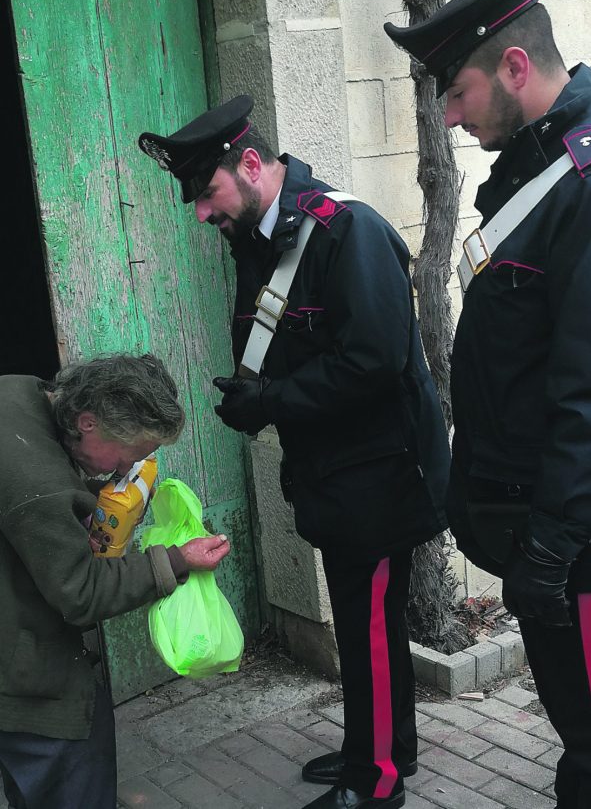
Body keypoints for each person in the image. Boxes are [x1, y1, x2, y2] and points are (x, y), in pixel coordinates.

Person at [385, 0, 591, 809]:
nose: (447, 114)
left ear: (515, 68)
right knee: (581, 727)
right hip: (556, 521)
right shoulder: (536, 164)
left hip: (583, 531)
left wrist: (551, 546)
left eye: (458, 90)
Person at [139, 98, 451, 809]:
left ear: (250, 165)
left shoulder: (349, 232)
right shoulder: (259, 236)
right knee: (365, 623)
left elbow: (373, 361)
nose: (199, 213)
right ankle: (378, 750)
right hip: (336, 474)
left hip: (381, 477)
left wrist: (269, 402)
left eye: (205, 192)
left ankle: (374, 786)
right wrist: (253, 395)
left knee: (369, 628)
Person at [0, 353, 230, 809]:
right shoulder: (36, 476)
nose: (126, 470)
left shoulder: (23, 392)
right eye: (130, 455)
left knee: (34, 772)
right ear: (87, 422)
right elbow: (80, 595)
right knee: (70, 740)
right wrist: (176, 561)